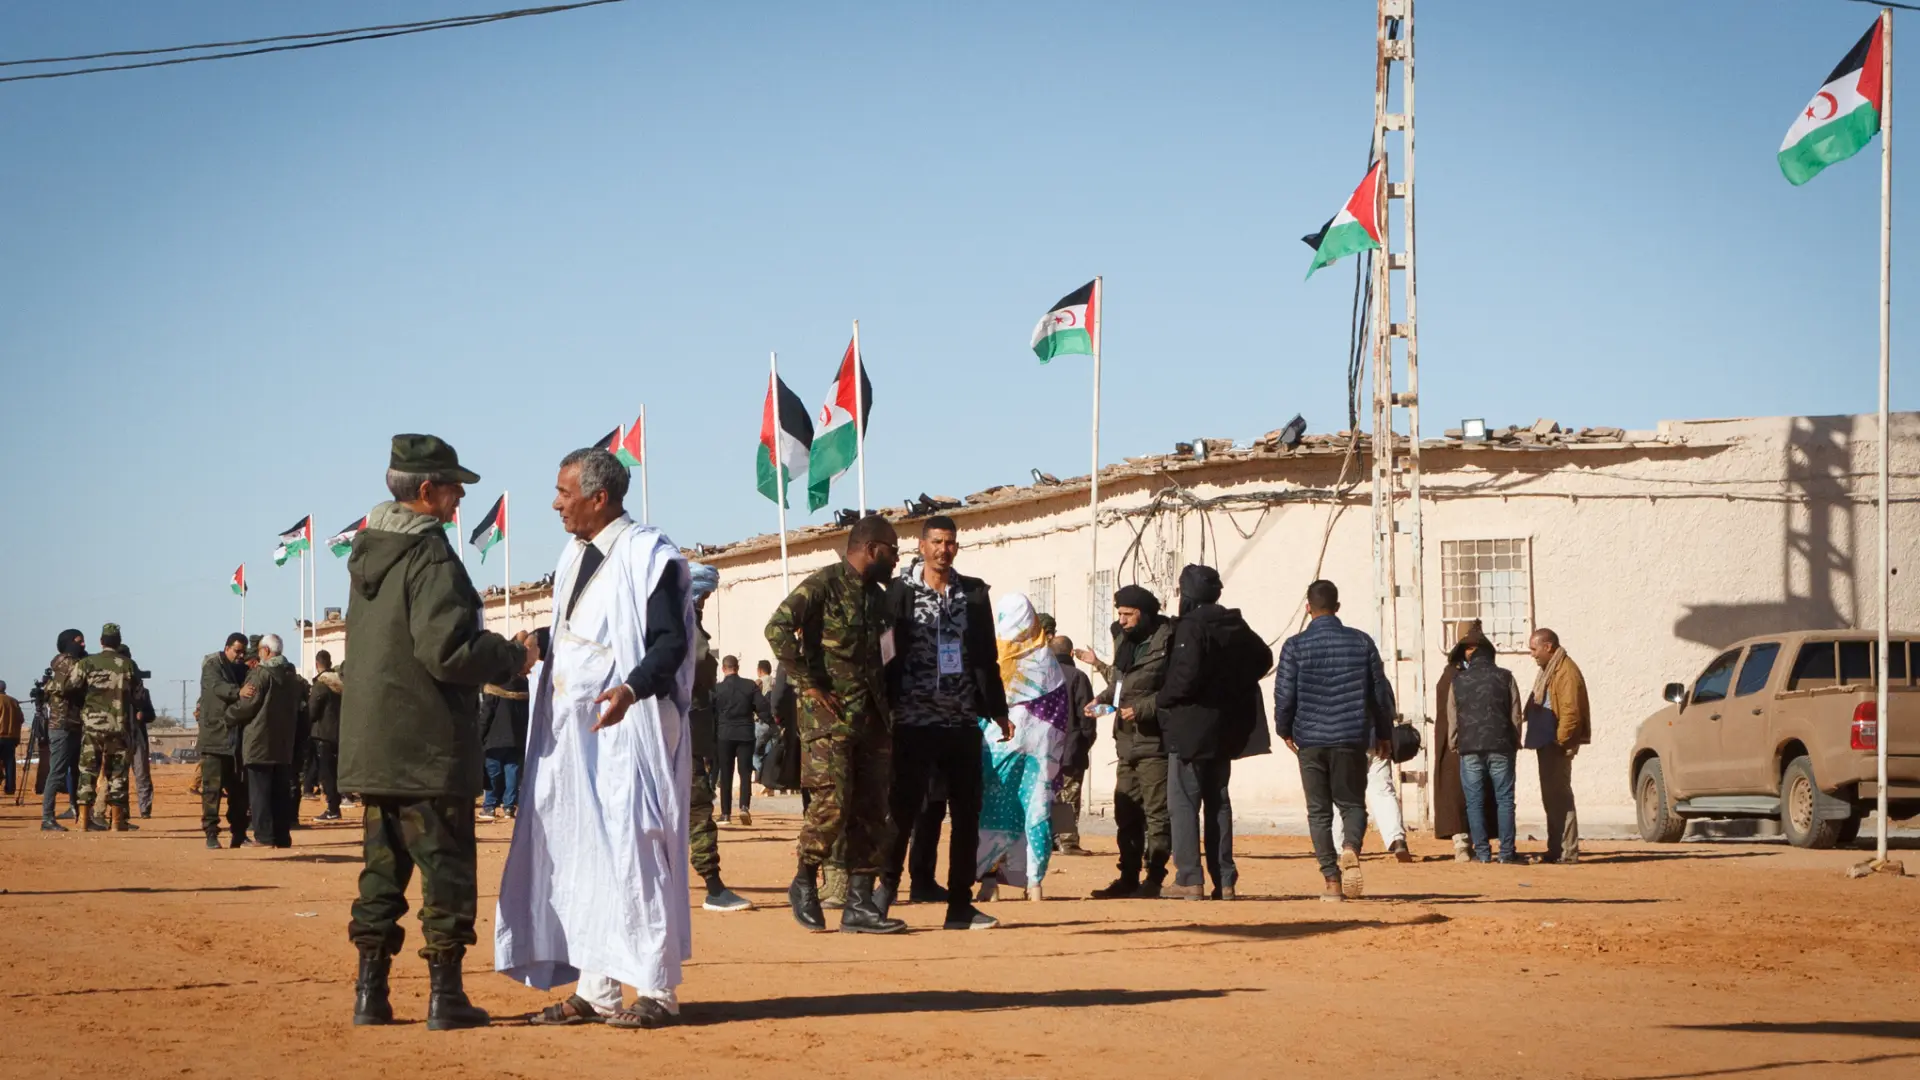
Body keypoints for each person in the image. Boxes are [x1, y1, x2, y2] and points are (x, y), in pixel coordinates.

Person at [340, 434, 538, 1031]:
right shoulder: (428, 556)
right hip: (427, 747)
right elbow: (445, 651)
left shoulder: (371, 555)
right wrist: (512, 656)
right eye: (453, 488)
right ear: (425, 492)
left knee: (382, 872)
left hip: (377, 749)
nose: (458, 500)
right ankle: (445, 997)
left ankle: (370, 996)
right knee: (445, 871)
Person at [496, 446, 695, 1031]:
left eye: (564, 493)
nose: (556, 504)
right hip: (573, 733)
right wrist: (534, 641)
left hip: (630, 731)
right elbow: (576, 630)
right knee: (582, 854)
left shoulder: (646, 555)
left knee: (636, 850)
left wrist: (631, 690)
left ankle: (657, 991)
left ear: (599, 497)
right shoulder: (573, 554)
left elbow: (669, 643)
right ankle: (597, 988)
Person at [765, 513, 905, 935]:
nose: (896, 558)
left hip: (873, 721)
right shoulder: (822, 585)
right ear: (871, 548)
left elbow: (887, 656)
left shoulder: (878, 599)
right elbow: (776, 630)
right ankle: (804, 882)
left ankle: (859, 904)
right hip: (829, 721)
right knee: (832, 806)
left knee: (871, 812)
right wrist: (809, 684)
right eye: (893, 550)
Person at [876, 515, 1010, 930]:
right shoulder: (899, 593)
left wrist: (998, 708)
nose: (944, 549)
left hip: (961, 720)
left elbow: (987, 653)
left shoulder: (971, 594)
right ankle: (882, 896)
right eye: (937, 542)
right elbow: (883, 651)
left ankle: (959, 905)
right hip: (914, 720)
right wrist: (883, 706)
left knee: (967, 812)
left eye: (950, 543)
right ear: (921, 545)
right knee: (903, 809)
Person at [1273, 580, 1395, 903]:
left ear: (1307, 608)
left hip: (1309, 740)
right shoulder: (1362, 643)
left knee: (1318, 812)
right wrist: (1383, 733)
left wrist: (1284, 729)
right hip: (1350, 737)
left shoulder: (1294, 647)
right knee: (1352, 804)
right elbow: (1379, 695)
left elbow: (1284, 695)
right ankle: (1350, 848)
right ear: (1338, 607)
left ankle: (1331, 881)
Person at [1157, 565, 1272, 901]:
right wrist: (1231, 685)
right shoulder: (1234, 623)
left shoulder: (1192, 626)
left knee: (1183, 803)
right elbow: (1263, 658)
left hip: (1190, 729)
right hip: (1225, 729)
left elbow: (1185, 677)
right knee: (1218, 801)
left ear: (1187, 593)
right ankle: (1225, 880)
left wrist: (1162, 698)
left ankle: (1189, 879)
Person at [1076, 585, 1175, 900]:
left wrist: (1144, 709)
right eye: (1119, 614)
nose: (1123, 620)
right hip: (1126, 743)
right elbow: (1120, 686)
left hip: (1154, 743)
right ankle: (1128, 877)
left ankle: (1155, 877)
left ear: (1144, 614)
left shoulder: (1168, 642)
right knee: (1126, 812)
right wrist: (1101, 703)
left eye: (1128, 615)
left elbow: (1176, 690)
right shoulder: (1123, 640)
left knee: (1157, 813)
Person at [972, 593, 1069, 912]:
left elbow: (980, 703)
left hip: (998, 748)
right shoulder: (1050, 666)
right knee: (1036, 810)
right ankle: (1034, 882)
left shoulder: (994, 658)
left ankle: (989, 882)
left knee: (993, 810)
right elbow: (1062, 717)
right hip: (1041, 756)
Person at [683, 563, 753, 913]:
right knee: (697, 811)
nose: (705, 601)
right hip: (680, 737)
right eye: (703, 594)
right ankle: (713, 885)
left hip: (688, 736)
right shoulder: (680, 629)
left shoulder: (684, 625)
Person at [1447, 625, 1523, 864]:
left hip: (1469, 747)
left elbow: (1452, 715)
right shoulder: (1506, 676)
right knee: (1505, 799)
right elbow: (1516, 715)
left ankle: (1481, 853)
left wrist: (1454, 743)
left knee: (1474, 801)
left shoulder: (1457, 680)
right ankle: (1507, 853)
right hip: (1501, 745)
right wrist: (1514, 741)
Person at [65, 623, 142, 832]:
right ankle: (117, 822)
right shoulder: (128, 664)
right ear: (118, 643)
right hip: (119, 726)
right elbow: (138, 695)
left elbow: (69, 686)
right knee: (118, 774)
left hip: (92, 726)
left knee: (87, 771)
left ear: (101, 641)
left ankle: (83, 821)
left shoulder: (87, 663)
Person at [227, 634, 302, 848]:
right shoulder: (291, 676)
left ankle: (264, 837)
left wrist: (227, 715)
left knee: (259, 793)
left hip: (259, 742)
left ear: (266, 651)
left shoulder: (260, 674)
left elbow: (247, 705)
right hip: (284, 743)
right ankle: (281, 837)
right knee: (279, 793)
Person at [1432, 622, 1497, 861]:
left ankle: (1480, 842)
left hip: (1482, 743)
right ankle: (1460, 841)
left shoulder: (1489, 672)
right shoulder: (1451, 675)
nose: (1472, 652)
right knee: (1456, 793)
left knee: (1482, 792)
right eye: (1468, 647)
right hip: (1457, 745)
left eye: (1476, 647)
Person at [1526, 628, 1590, 865]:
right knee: (1551, 798)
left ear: (1548, 647)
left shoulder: (1566, 672)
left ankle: (1568, 851)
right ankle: (1556, 848)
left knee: (1560, 798)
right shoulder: (1550, 671)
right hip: (1547, 741)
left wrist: (1560, 741)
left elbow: (1571, 711)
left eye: (1534, 649)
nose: (1532, 654)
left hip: (1556, 744)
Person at [198, 633, 252, 848]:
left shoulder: (243, 669)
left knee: (240, 792)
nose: (240, 655)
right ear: (227, 648)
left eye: (243, 652)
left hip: (236, 741)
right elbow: (218, 688)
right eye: (237, 650)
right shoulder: (213, 665)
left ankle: (239, 833)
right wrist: (238, 692)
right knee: (212, 790)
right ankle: (211, 832)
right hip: (215, 739)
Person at [1048, 636, 1096, 857]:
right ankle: (1067, 841)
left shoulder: (1043, 676)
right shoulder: (1077, 676)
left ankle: (1048, 840)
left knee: (1049, 795)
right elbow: (1087, 714)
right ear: (1069, 654)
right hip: (1070, 747)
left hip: (1046, 748)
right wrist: (1086, 740)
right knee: (1068, 795)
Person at [712, 655, 769, 825]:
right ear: (737, 667)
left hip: (724, 734)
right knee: (745, 773)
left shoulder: (717, 689)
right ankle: (744, 807)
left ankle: (726, 814)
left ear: (724, 669)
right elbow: (763, 708)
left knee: (726, 773)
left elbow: (712, 713)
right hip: (745, 733)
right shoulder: (750, 685)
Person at [40, 630, 87, 831]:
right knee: (57, 772)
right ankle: (47, 818)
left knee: (77, 771)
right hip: (62, 725)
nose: (83, 644)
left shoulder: (74, 663)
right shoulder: (67, 663)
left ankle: (78, 812)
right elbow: (69, 686)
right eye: (79, 641)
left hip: (74, 723)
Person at [477, 675, 529, 823]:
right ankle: (509, 807)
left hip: (495, 738)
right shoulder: (525, 687)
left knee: (493, 772)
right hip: (518, 739)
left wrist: (480, 736)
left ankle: (490, 807)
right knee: (512, 771)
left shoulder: (495, 688)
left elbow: (486, 715)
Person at [117, 645, 156, 819]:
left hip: (137, 735)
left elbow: (151, 715)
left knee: (142, 775)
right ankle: (121, 811)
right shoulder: (112, 691)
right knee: (119, 776)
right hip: (119, 736)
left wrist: (143, 714)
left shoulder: (142, 691)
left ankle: (145, 810)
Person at [308, 650, 345, 821]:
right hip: (339, 733)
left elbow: (312, 711)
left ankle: (332, 808)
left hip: (323, 735)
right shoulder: (340, 683)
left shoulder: (321, 685)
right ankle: (336, 805)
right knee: (335, 772)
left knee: (326, 774)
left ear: (317, 664)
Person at [0, 680, 22, 797]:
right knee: (9, 763)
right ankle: (10, 788)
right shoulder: (14, 701)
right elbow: (21, 719)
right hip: (11, 738)